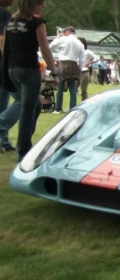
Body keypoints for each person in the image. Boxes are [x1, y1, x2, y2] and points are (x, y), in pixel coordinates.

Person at [0, 0, 58, 160]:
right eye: (42, 3)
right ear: (34, 4)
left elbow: (6, 48)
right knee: (27, 110)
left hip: (13, 69)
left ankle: (25, 142)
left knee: (36, 105)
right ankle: (23, 150)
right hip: (29, 70)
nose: (44, 6)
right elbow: (45, 48)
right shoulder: (37, 22)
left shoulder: (11, 21)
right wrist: (54, 73)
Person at [49, 26, 84, 114]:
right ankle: (72, 108)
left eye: (64, 32)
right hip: (74, 64)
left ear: (68, 31)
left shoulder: (64, 39)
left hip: (63, 64)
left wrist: (58, 37)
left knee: (60, 86)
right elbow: (82, 59)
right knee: (72, 87)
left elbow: (51, 46)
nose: (63, 33)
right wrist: (80, 69)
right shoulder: (79, 43)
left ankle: (58, 108)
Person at [0, 0, 15, 152]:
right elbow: (2, 38)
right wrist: (7, 59)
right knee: (4, 101)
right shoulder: (2, 12)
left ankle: (3, 141)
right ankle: (2, 140)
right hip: (2, 63)